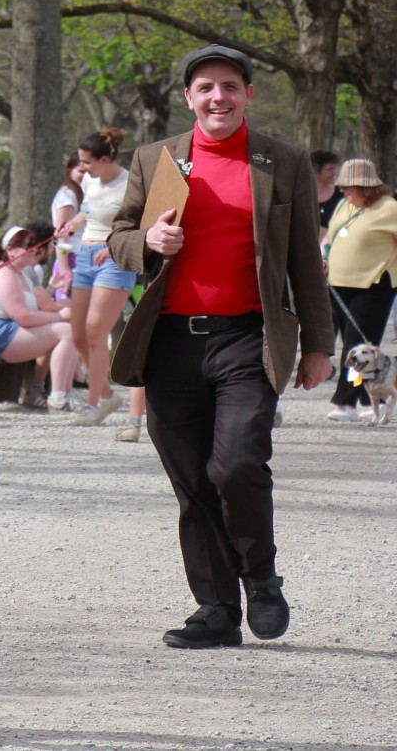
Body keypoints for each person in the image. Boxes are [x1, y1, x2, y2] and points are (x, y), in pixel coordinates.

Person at [108, 43, 332, 650]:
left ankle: (260, 577)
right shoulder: (157, 158)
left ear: (247, 95)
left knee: (235, 463)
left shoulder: (281, 160)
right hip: (170, 342)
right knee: (192, 480)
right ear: (189, 98)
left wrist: (318, 344)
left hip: (247, 339)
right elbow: (118, 236)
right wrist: (148, 241)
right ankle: (215, 609)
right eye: (205, 88)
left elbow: (305, 261)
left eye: (230, 87)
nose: (218, 98)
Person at [59, 129, 146, 437]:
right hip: (85, 255)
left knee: (97, 331)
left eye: (86, 162)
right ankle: (107, 395)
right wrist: (72, 224)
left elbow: (139, 226)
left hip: (113, 258)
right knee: (78, 334)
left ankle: (95, 401)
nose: (81, 169)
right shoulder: (89, 181)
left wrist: (112, 246)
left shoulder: (129, 184)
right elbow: (87, 213)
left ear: (105, 160)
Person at [321, 158, 397, 422]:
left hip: (373, 285)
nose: (342, 191)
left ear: (365, 187)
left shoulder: (388, 208)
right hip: (339, 284)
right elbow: (331, 236)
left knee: (356, 349)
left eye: (347, 187)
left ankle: (346, 402)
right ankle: (368, 397)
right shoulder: (344, 205)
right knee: (351, 345)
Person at [0, 226, 80, 409]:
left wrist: (58, 302)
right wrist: (58, 316)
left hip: (8, 330)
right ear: (10, 250)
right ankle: (57, 395)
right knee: (65, 331)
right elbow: (22, 317)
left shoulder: (24, 274)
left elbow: (44, 305)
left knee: (68, 328)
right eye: (28, 246)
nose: (34, 249)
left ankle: (60, 392)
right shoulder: (2, 273)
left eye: (35, 245)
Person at [49, 154, 85, 301]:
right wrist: (65, 270)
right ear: (70, 170)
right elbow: (62, 236)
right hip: (71, 261)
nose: (85, 176)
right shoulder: (67, 197)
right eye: (81, 171)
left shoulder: (82, 195)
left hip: (81, 259)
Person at [311, 149, 342, 240]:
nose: (335, 173)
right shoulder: (302, 194)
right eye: (329, 170)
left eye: (335, 168)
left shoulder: (341, 195)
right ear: (316, 172)